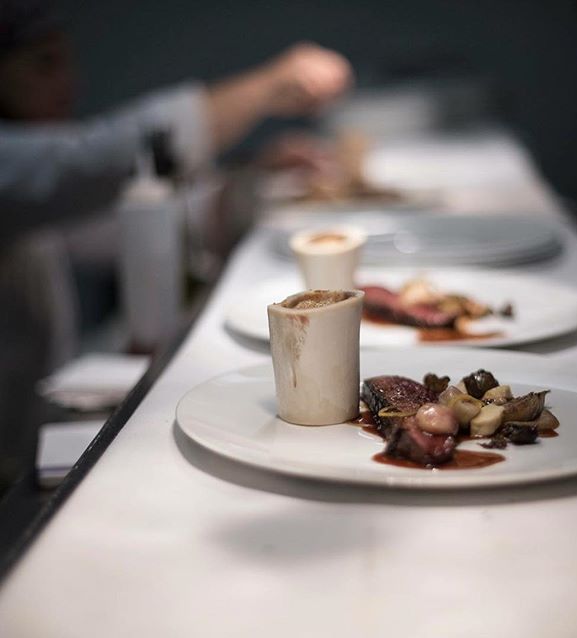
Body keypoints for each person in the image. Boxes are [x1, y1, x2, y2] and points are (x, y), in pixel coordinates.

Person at [0, 0, 352, 492]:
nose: (67, 83)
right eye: (43, 64)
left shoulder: (32, 200)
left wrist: (252, 178)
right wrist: (266, 87)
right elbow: (89, 161)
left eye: (65, 62)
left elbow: (121, 223)